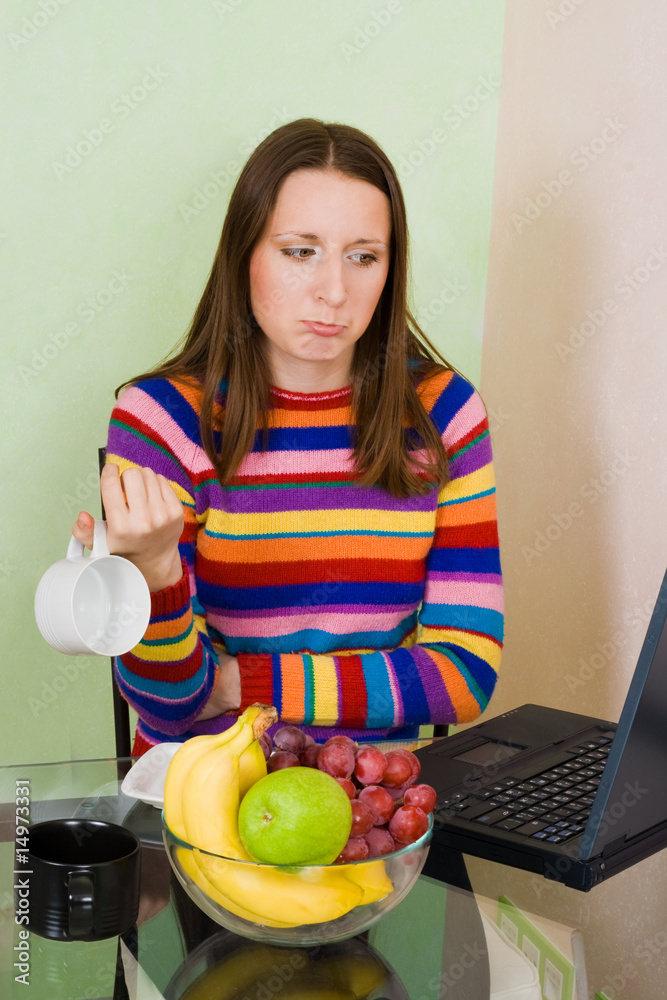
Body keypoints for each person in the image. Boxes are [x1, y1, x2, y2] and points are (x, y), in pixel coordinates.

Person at [73, 118, 504, 757]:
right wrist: (155, 570)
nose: (334, 291)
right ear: (243, 254)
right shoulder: (162, 421)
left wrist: (237, 683)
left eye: (363, 256)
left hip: (373, 805)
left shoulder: (444, 414)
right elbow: (168, 702)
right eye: (299, 251)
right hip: (204, 800)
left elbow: (465, 676)